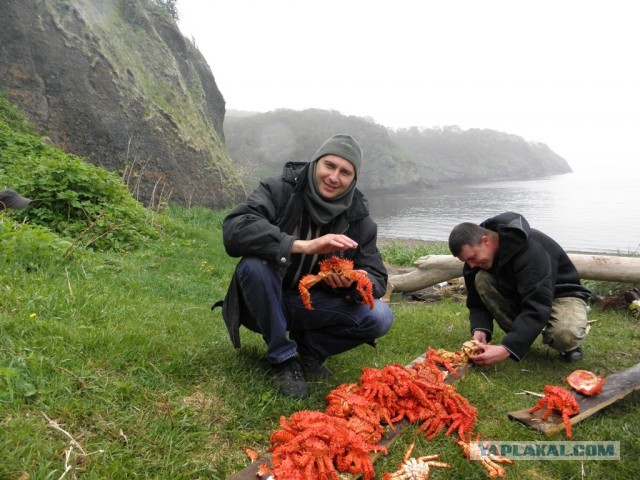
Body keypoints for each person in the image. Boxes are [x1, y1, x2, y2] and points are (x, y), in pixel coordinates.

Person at [217, 134, 394, 398]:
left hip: (312, 304)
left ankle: (310, 351)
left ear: (353, 179)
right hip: (263, 301)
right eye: (329, 166)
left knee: (380, 315)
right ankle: (283, 358)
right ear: (314, 164)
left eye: (345, 172)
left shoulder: (360, 221)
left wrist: (354, 283)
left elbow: (377, 278)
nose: (334, 177)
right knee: (254, 265)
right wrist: (301, 245)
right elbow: (235, 229)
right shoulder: (279, 190)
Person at [448, 212, 590, 367]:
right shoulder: (476, 261)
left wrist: (505, 349)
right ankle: (520, 337)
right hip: (522, 293)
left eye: (472, 258)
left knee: (564, 337)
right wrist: (480, 329)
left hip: (561, 294)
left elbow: (537, 305)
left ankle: (569, 345)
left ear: (485, 241)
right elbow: (476, 302)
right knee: (481, 278)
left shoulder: (531, 251)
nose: (471, 265)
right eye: (466, 261)